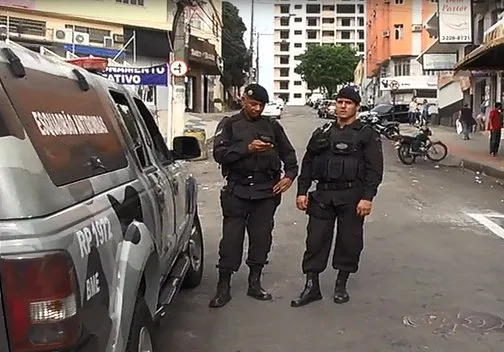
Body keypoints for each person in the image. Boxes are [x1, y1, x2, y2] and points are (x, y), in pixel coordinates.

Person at [291, 86, 384, 307]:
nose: (342, 106)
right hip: (323, 195)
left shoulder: (366, 135)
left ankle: (341, 284)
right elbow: (308, 163)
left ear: (357, 107)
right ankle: (311, 286)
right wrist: (302, 191)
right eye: (340, 102)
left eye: (348, 103)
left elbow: (375, 169)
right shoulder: (322, 133)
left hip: (352, 196)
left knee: (349, 242)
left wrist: (368, 197)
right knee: (315, 241)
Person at [209, 83, 299, 308]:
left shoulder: (272, 126)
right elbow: (219, 154)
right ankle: (223, 286)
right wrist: (246, 149)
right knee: (231, 241)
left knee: (261, 240)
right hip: (237, 192)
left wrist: (289, 177)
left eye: (261, 105)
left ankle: (255, 282)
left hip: (265, 193)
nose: (257, 109)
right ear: (243, 101)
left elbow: (289, 154)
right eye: (253, 104)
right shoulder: (230, 125)